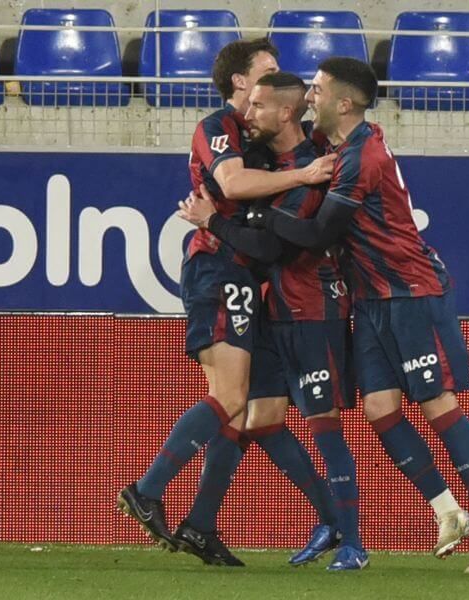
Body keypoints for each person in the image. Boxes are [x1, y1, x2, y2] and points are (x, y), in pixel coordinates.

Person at [245, 57, 469, 574]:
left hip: (409, 291)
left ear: (343, 103)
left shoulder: (360, 157)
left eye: (319, 91)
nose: (309, 98)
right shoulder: (340, 145)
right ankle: (447, 509)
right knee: (379, 408)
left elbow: (320, 233)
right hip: (369, 298)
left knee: (437, 403)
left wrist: (264, 217)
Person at [116, 39, 337, 567]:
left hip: (253, 278)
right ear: (241, 82)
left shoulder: (273, 138)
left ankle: (201, 524)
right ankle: (147, 490)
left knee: (260, 413)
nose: (278, 79)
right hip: (220, 267)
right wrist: (304, 176)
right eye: (268, 72)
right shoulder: (219, 126)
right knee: (231, 396)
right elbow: (233, 182)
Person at [178, 72, 367, 571]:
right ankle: (326, 521)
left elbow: (271, 246)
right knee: (262, 418)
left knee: (324, 425)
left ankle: (351, 539)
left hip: (313, 309)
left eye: (259, 104)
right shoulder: (274, 164)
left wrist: (216, 222)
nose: (248, 112)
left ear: (285, 113)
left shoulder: (309, 166)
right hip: (276, 308)